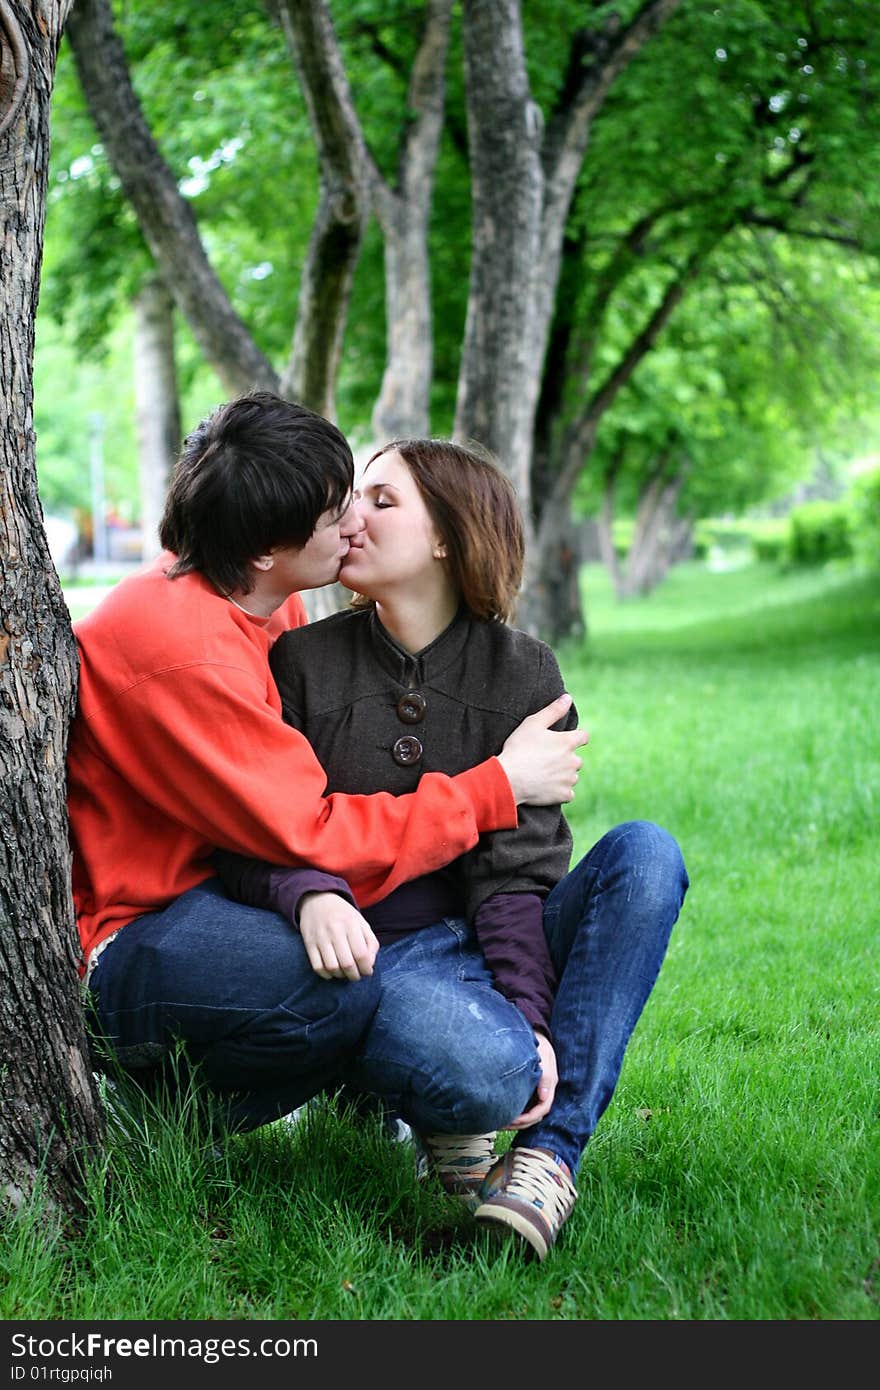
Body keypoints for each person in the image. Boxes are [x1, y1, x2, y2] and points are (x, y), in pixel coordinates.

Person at [215, 436, 689, 1262]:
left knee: (646, 856)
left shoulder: (524, 673)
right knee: (469, 1064)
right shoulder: (300, 662)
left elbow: (517, 879)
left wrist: (531, 1020)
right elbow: (249, 830)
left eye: (380, 501)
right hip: (370, 960)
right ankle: (436, 1102)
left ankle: (549, 1154)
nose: (348, 517)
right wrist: (307, 891)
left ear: (448, 536)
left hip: (488, 940)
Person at [71, 391, 586, 1140]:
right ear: (262, 552)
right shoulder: (183, 648)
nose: (353, 523)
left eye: (359, 498)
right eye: (334, 514)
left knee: (351, 968)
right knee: (344, 984)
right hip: (134, 927)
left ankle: (351, 1095)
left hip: (214, 895)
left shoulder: (257, 598)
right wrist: (497, 787)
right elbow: (309, 830)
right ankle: (155, 1123)